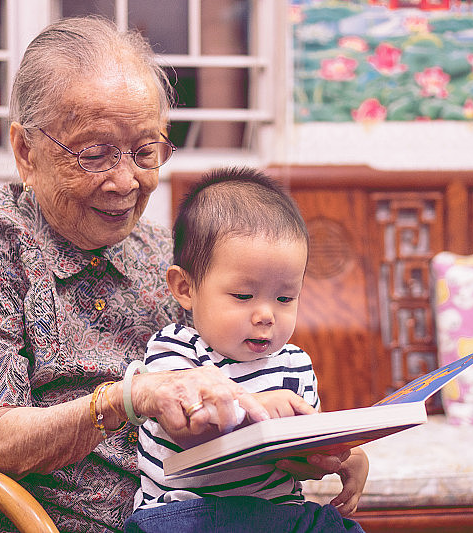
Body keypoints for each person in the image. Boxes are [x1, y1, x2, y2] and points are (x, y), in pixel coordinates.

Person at [0, 17, 352, 533]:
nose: (125, 182)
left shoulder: (162, 253)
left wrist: (319, 450)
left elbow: (230, 395)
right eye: (94, 154)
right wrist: (128, 397)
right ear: (25, 151)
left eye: (145, 153)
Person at [125, 168, 369, 533]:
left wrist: (343, 455)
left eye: (285, 297)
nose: (266, 315)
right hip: (188, 515)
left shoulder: (295, 364)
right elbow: (188, 428)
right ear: (185, 287)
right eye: (243, 296)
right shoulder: (175, 349)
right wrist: (254, 411)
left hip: (280, 513)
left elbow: (305, 450)